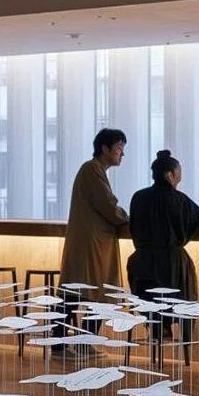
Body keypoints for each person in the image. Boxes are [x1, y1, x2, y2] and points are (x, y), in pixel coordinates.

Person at [54, 128, 128, 356]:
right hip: (91, 244)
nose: (121, 154)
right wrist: (126, 218)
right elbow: (107, 204)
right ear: (104, 149)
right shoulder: (91, 169)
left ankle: (79, 342)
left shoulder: (95, 170)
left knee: (86, 292)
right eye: (118, 149)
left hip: (95, 242)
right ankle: (62, 343)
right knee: (81, 293)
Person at [127, 149, 199, 337]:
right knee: (182, 285)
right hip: (171, 266)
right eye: (178, 174)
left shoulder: (138, 198)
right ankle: (180, 336)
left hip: (141, 264)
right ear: (169, 175)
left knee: (152, 294)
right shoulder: (178, 200)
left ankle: (158, 326)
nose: (179, 179)